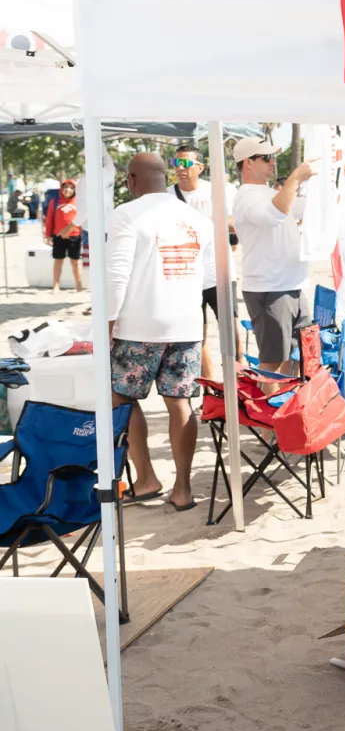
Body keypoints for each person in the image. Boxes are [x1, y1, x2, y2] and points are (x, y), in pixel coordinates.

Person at [105, 153, 215, 512]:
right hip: (185, 324)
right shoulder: (197, 218)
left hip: (139, 325)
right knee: (180, 402)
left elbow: (116, 277)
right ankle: (182, 490)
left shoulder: (126, 214)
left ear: (132, 180)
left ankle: (147, 478)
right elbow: (211, 279)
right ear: (164, 177)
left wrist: (107, 323)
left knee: (122, 397)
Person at [232, 137, 315, 378]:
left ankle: (285, 409)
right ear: (248, 163)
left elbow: (292, 209)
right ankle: (271, 414)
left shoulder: (267, 192)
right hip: (270, 286)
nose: (272, 162)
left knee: (297, 359)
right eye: (266, 157)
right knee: (273, 363)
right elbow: (273, 215)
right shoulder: (246, 196)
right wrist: (296, 178)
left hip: (292, 284)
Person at [170, 144, 243, 382]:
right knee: (197, 336)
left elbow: (238, 221)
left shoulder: (219, 191)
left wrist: (205, 221)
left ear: (200, 167)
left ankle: (238, 384)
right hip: (185, 278)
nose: (181, 168)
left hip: (218, 273)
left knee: (230, 333)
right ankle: (211, 390)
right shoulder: (167, 196)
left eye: (187, 163)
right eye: (176, 163)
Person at [43, 178, 83, 292]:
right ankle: (56, 285)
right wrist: (48, 235)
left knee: (75, 262)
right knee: (58, 260)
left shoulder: (78, 202)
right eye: (66, 187)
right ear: (61, 189)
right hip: (58, 236)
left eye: (71, 188)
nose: (68, 190)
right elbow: (49, 219)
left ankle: (78, 286)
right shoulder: (54, 202)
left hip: (75, 235)